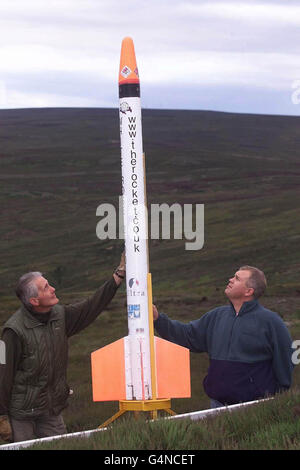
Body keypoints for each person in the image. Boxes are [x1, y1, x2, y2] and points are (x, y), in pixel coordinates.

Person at [0, 252, 125, 443]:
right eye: (46, 288)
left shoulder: (60, 315)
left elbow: (90, 307)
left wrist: (118, 276)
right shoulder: (12, 332)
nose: (53, 288)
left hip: (51, 410)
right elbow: (2, 375)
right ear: (34, 301)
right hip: (22, 416)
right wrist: (2, 418)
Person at [153, 265, 294, 408]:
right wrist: (158, 319)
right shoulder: (216, 316)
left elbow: (285, 361)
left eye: (237, 278)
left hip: (256, 407)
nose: (231, 279)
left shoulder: (271, 322)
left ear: (248, 291)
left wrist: (278, 401)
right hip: (217, 405)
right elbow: (188, 335)